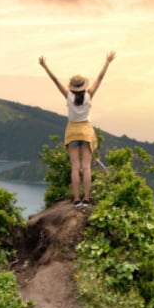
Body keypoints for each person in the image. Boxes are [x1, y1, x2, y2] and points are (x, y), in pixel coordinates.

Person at [39, 51, 116, 209]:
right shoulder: (89, 95)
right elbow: (100, 78)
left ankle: (76, 200)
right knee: (86, 167)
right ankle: (86, 199)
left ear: (72, 87)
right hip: (86, 131)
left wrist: (45, 66)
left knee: (75, 167)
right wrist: (107, 62)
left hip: (72, 132)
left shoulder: (68, 95)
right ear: (83, 86)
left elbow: (55, 81)